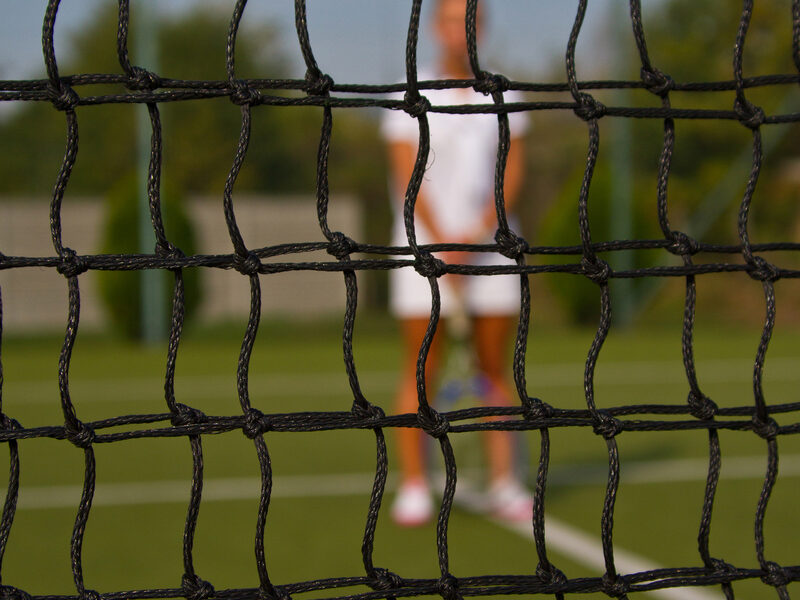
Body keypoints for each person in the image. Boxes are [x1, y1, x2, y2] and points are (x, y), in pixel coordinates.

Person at [381, 0, 532, 527]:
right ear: (436, 30)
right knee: (420, 370)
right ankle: (415, 485)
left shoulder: (504, 93)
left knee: (494, 370)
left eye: (468, 19)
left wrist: (478, 234)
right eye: (448, 19)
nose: (457, 30)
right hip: (422, 252)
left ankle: (504, 482)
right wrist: (444, 241)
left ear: (480, 28)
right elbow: (407, 175)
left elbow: (512, 169)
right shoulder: (410, 95)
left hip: (493, 249)